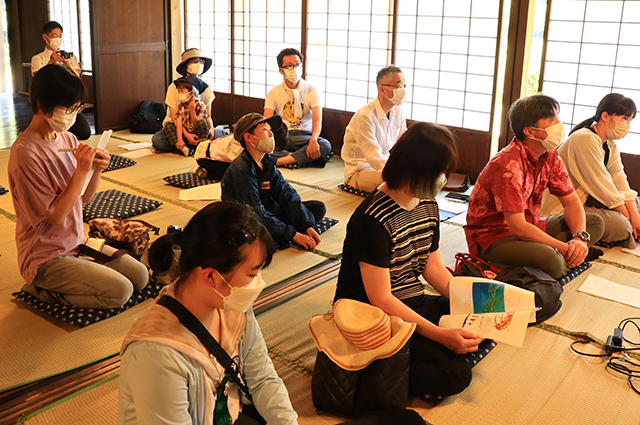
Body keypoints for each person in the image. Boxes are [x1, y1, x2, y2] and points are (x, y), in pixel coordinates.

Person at [334, 122, 483, 398]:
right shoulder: (372, 218)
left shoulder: (427, 203)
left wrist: (469, 304)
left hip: (411, 300)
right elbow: (381, 298)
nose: (443, 179)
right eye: (438, 172)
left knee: (478, 326)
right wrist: (439, 334)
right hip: (374, 315)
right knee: (455, 374)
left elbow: (434, 267)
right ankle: (355, 365)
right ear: (414, 170)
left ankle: (383, 360)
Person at [118, 201, 298, 425]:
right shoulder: (156, 353)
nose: (258, 282)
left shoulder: (232, 305)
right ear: (211, 276)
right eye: (252, 274)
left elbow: (262, 378)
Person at [8, 65, 149, 308]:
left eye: (77, 107)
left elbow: (83, 199)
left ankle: (83, 270)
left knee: (140, 276)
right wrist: (82, 170)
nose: (74, 114)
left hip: (77, 243)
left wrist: (96, 169)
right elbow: (55, 217)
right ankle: (39, 290)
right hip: (45, 257)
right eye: (69, 108)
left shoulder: (68, 139)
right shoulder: (25, 155)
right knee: (120, 292)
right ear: (42, 105)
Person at [464, 94, 605, 279]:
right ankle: (563, 258)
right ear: (530, 132)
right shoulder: (508, 164)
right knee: (552, 260)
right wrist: (562, 247)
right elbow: (517, 227)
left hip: (533, 225)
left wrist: (579, 238)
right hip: (494, 237)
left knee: (595, 222)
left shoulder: (550, 155)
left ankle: (566, 256)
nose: (559, 124)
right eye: (551, 120)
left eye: (557, 118)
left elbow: (571, 201)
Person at [541, 93, 639, 248]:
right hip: (562, 208)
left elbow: (620, 180)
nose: (627, 124)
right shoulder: (584, 138)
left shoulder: (610, 145)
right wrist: (629, 219)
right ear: (605, 116)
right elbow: (602, 186)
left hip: (588, 200)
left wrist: (634, 215)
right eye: (625, 119)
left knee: (636, 204)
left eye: (630, 120)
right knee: (622, 227)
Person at [221, 113, 326, 250]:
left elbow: (286, 193)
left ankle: (279, 233)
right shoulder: (241, 169)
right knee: (252, 231)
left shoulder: (266, 161)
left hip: (266, 212)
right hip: (245, 220)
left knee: (317, 208)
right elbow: (254, 214)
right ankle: (278, 234)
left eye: (270, 130)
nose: (271, 134)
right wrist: (294, 234)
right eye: (265, 130)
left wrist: (307, 226)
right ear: (248, 138)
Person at [341, 65, 408, 193]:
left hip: (385, 167)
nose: (403, 90)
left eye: (404, 86)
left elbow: (404, 144)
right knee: (400, 181)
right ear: (382, 90)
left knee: (414, 177)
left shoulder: (398, 112)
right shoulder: (365, 116)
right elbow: (374, 157)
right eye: (399, 86)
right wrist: (397, 171)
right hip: (361, 171)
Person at [264, 48, 332, 167]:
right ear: (281, 70)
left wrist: (313, 140)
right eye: (289, 66)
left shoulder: (312, 90)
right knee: (263, 148)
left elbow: (317, 120)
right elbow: (266, 120)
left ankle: (282, 161)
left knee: (325, 145)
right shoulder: (274, 93)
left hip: (305, 137)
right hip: (284, 136)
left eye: (297, 64)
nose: (294, 69)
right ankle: (306, 159)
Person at [152, 48, 227, 154]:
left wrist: (211, 129)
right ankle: (193, 146)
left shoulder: (206, 89)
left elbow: (208, 116)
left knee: (222, 136)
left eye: (201, 61)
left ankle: (192, 146)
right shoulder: (175, 87)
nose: (199, 64)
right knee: (158, 140)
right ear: (186, 67)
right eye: (195, 61)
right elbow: (175, 118)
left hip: (199, 127)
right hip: (178, 128)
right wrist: (186, 135)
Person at [31, 21, 91, 140]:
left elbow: (77, 79)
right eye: (55, 35)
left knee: (85, 133)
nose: (58, 39)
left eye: (60, 36)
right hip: (51, 103)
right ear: (45, 37)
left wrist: (67, 64)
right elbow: (38, 79)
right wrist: (51, 62)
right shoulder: (38, 58)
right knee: (56, 133)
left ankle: (69, 133)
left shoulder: (70, 57)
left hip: (69, 102)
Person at [173, 78, 209, 157]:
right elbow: (179, 124)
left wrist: (192, 111)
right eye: (179, 91)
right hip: (185, 133)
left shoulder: (201, 105)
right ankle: (183, 148)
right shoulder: (180, 106)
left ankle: (202, 148)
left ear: (191, 93)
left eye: (182, 91)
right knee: (169, 127)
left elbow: (198, 123)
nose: (179, 93)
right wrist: (180, 139)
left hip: (197, 134)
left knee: (202, 123)